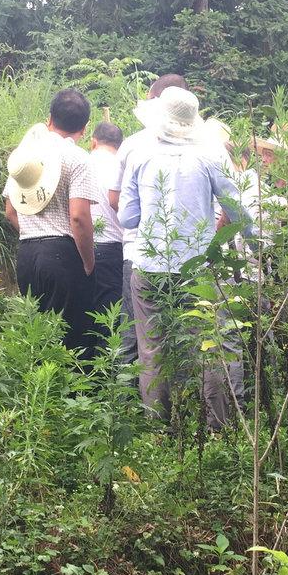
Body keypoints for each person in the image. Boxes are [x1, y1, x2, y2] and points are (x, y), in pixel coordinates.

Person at [118, 87, 249, 429]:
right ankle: (216, 429)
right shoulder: (212, 154)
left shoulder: (139, 153)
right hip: (199, 267)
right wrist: (252, 245)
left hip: (148, 264)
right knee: (210, 347)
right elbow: (237, 211)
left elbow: (127, 218)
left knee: (152, 351)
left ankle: (159, 433)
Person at [3, 89, 100, 357]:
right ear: (84, 127)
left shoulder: (26, 158)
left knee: (36, 335)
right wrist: (89, 262)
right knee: (71, 338)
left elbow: (10, 211)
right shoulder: (79, 159)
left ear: (49, 119)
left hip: (27, 255)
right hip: (62, 256)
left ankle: (37, 396)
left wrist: (36, 235)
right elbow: (79, 217)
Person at [108, 73, 191, 365]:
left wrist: (148, 216)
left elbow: (116, 200)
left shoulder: (133, 144)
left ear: (151, 97)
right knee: (185, 337)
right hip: (190, 257)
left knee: (137, 336)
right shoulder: (204, 145)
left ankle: (132, 407)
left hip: (140, 254)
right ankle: (185, 406)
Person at [88, 122, 126, 337]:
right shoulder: (121, 166)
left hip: (80, 245)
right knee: (110, 316)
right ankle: (111, 367)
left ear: (93, 142)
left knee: (86, 311)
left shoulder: (82, 161)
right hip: (113, 249)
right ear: (119, 146)